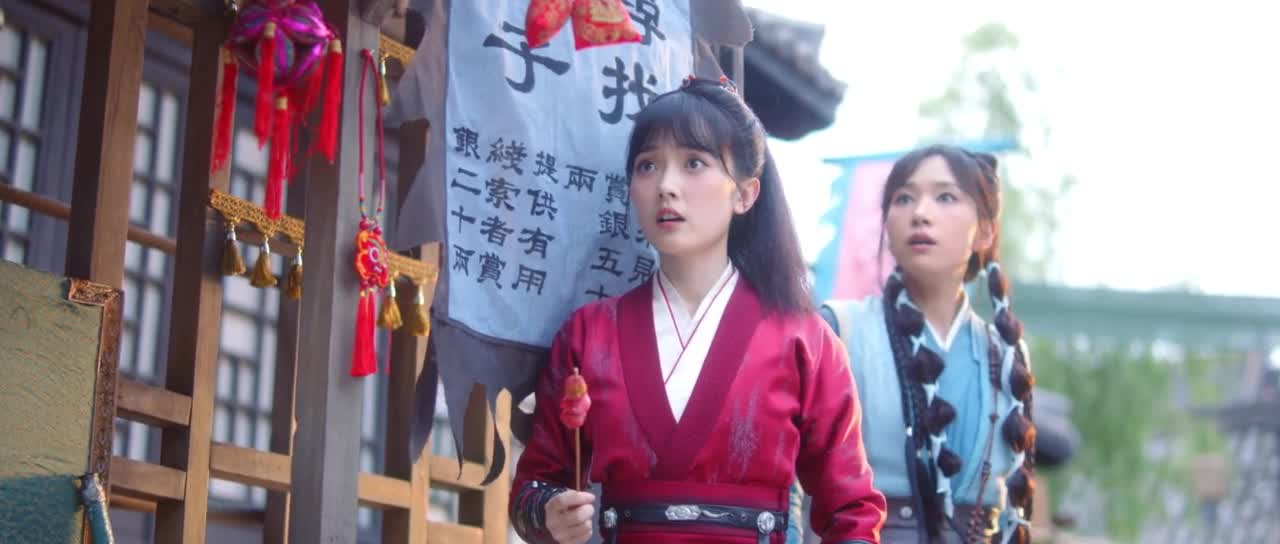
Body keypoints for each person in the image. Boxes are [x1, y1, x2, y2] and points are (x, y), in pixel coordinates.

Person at [509, 76, 887, 544]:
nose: (666, 186)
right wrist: (548, 510)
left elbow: (852, 510)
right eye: (648, 166)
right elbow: (533, 485)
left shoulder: (804, 339)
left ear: (745, 193)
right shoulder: (588, 334)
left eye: (694, 163)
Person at [821, 145, 1037, 543]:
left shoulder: (1006, 354)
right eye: (904, 198)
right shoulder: (839, 330)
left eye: (945, 197)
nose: (920, 213)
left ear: (985, 232)